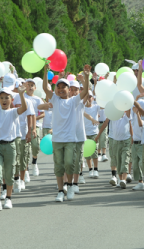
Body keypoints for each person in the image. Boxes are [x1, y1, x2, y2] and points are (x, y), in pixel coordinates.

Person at [42, 65, 90, 202]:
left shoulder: (73, 101)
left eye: (64, 87)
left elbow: (85, 90)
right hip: (57, 139)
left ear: (69, 90)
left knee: (69, 164)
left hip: (70, 139)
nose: (61, 89)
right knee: (59, 166)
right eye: (59, 87)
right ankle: (60, 191)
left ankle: (69, 186)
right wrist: (45, 71)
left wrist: (86, 77)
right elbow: (45, 88)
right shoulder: (55, 100)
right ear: (56, 90)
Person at [24, 79, 44, 177]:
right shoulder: (22, 97)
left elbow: (43, 113)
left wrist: (33, 118)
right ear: (25, 87)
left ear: (35, 88)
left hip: (35, 125)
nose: (31, 87)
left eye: (32, 85)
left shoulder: (38, 99)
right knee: (26, 148)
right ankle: (26, 169)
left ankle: (34, 163)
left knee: (35, 146)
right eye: (29, 85)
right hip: (24, 125)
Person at [130, 98, 144, 190]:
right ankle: (140, 182)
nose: (135, 108)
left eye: (137, 107)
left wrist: (137, 113)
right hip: (135, 143)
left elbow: (141, 125)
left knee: (143, 163)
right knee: (135, 164)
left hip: (142, 144)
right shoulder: (134, 116)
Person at [83, 92, 101, 178]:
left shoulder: (96, 106)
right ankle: (90, 169)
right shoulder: (82, 108)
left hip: (94, 132)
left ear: (93, 98)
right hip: (85, 133)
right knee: (87, 152)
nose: (89, 99)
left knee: (94, 152)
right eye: (87, 97)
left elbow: (103, 106)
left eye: (90, 97)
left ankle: (96, 169)